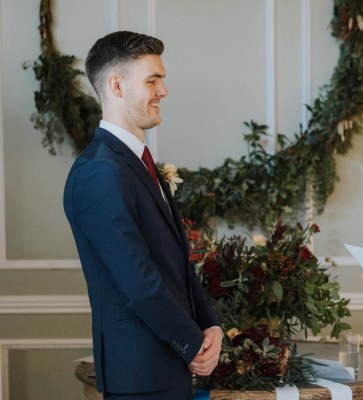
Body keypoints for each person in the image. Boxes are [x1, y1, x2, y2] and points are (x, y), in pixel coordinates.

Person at [64, 31, 222, 400]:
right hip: (140, 376)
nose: (164, 91)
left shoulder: (136, 164)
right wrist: (193, 343)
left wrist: (210, 325)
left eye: (162, 79)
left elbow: (174, 264)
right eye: (152, 80)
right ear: (116, 86)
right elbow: (139, 281)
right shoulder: (100, 172)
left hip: (166, 368)